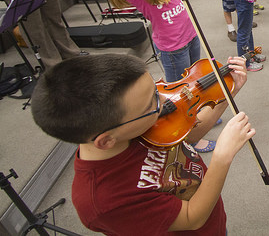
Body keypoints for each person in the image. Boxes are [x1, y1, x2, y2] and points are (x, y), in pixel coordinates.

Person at [30, 53, 253, 235]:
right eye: (151, 104)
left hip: (211, 214)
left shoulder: (131, 124)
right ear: (106, 140)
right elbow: (191, 218)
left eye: (156, 91)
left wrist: (226, 95)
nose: (167, 101)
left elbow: (191, 134)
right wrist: (222, 158)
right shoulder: (105, 201)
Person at [92, 0, 218, 153]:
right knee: (179, 94)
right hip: (171, 46)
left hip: (189, 34)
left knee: (196, 83)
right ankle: (188, 137)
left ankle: (199, 115)